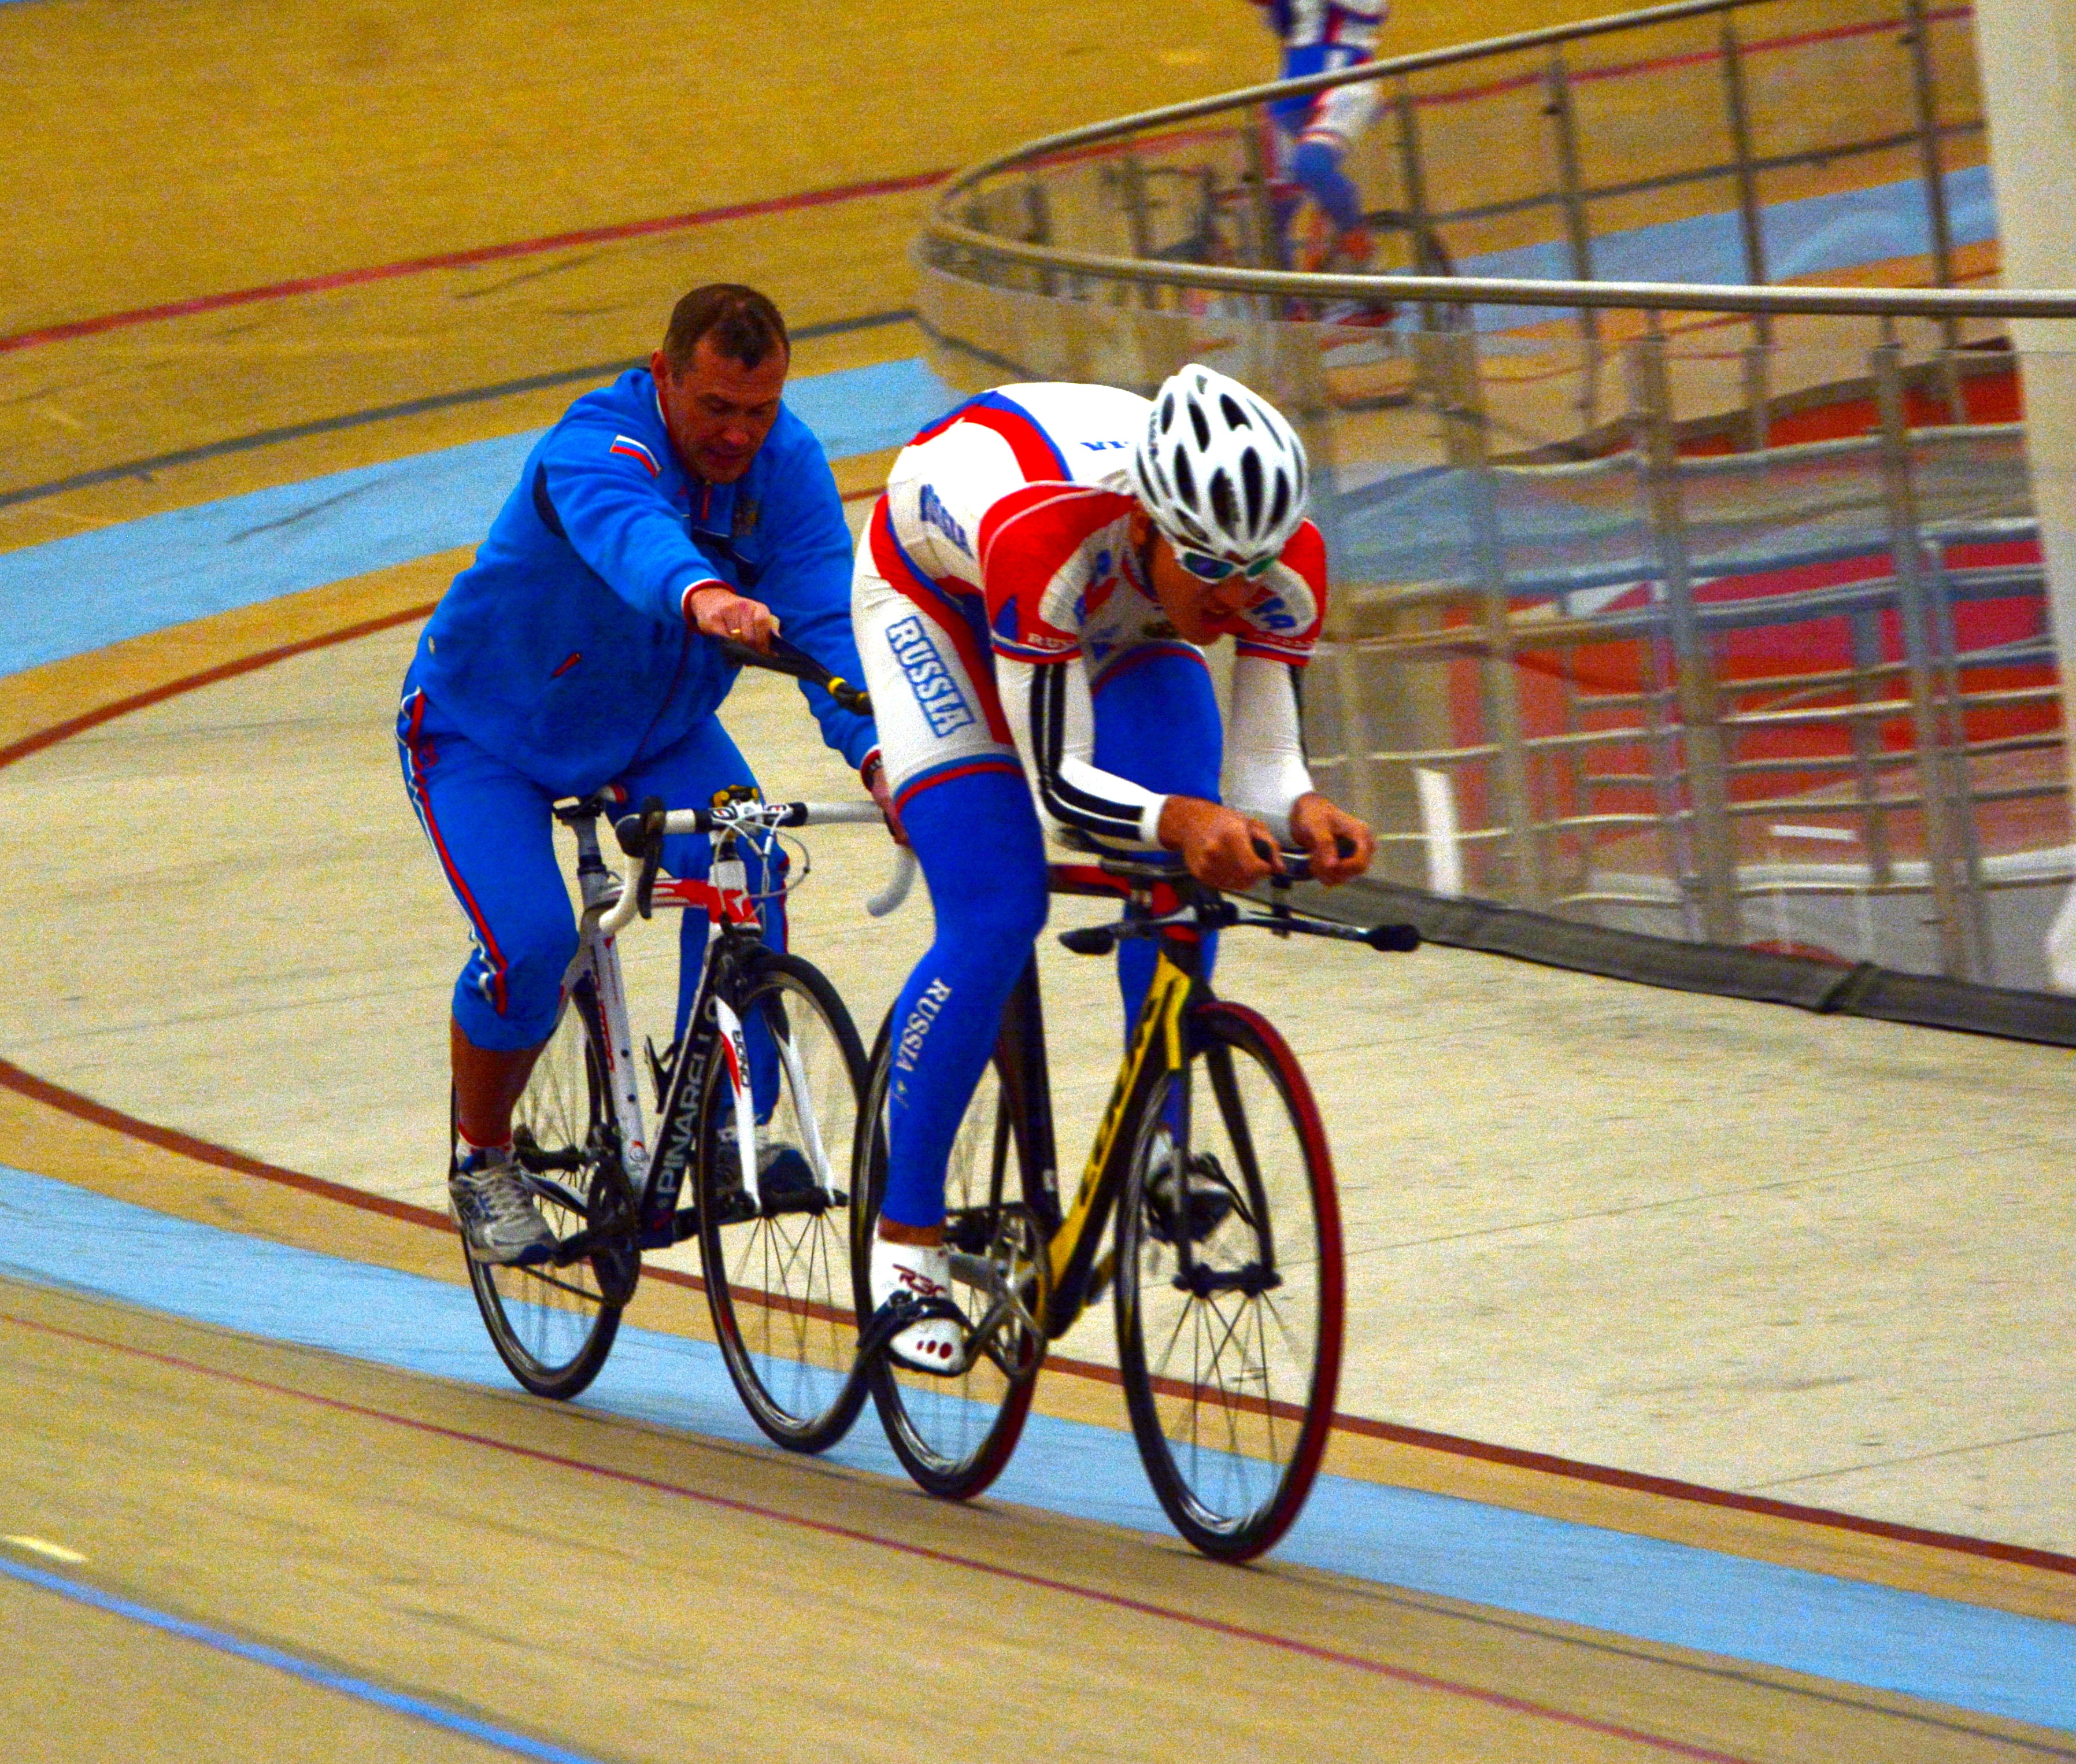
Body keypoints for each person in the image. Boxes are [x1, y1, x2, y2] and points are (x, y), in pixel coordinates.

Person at [851, 364, 1376, 1367]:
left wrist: (1304, 810)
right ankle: (904, 1239)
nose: (1235, 598)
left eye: (1251, 573)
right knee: (998, 909)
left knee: (1195, 853)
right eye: (1210, 572)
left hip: (1118, 612)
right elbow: (1060, 785)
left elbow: (1262, 766)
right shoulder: (1046, 539)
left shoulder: (1277, 564)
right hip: (941, 591)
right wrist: (1182, 818)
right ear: (1147, 528)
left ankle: (1161, 1151)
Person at [398, 283, 892, 1266]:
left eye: (759, 411)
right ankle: (483, 1160)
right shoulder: (597, 442)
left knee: (750, 853)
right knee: (532, 945)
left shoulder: (786, 464)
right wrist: (703, 592)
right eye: (714, 408)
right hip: (482, 732)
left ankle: (707, 1118)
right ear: (664, 377)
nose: (737, 435)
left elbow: (829, 628)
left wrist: (883, 755)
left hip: (648, 734)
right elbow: (630, 530)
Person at [1253, 0, 1389, 294]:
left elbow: (1375, 11)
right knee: (1272, 214)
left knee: (1311, 166)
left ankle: (1370, 269)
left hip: (1344, 83)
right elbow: (1285, 22)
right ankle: (1293, 313)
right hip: (1292, 92)